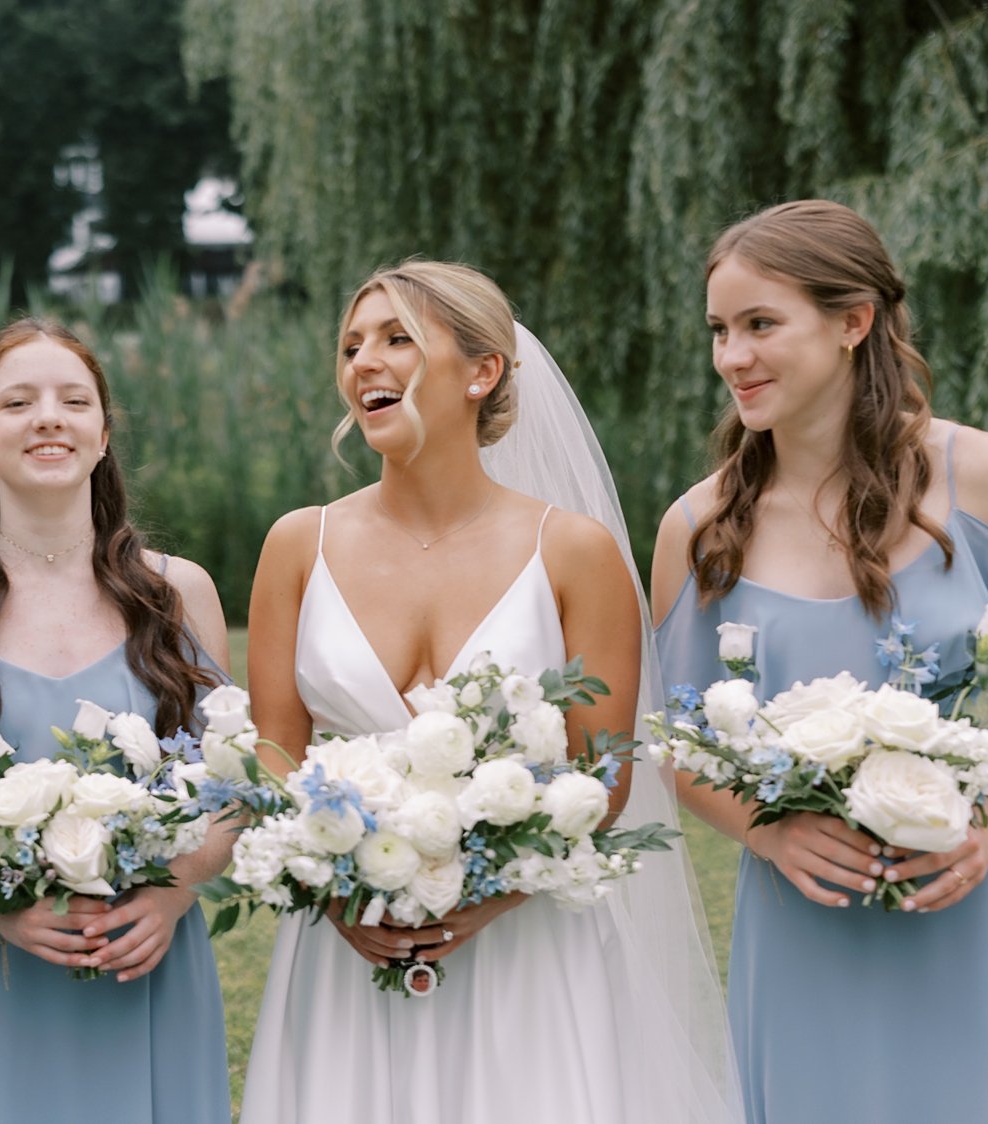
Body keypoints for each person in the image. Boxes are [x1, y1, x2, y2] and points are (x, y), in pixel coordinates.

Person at [241, 261, 740, 1123]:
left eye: (398, 339)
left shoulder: (573, 551)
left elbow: (603, 775)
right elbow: (275, 751)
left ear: (483, 373)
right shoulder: (298, 544)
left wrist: (485, 896)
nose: (365, 361)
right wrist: (338, 890)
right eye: (352, 345)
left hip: (525, 944)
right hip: (346, 945)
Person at [653, 198, 988, 1123]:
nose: (732, 357)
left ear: (853, 322)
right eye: (720, 331)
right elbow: (675, 742)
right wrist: (767, 831)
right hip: (803, 924)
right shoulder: (697, 529)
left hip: (980, 907)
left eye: (760, 325)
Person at [0, 317, 232, 1123]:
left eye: (74, 400)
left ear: (102, 435)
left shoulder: (179, 596)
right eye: (17, 402)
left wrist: (172, 895)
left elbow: (232, 794)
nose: (49, 418)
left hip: (148, 967)